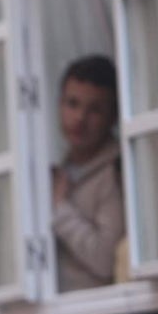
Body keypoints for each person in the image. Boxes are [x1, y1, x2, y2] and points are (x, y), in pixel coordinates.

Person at [52, 55, 126, 293]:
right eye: (72, 104)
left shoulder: (114, 173)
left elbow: (106, 260)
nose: (80, 118)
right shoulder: (61, 170)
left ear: (112, 117)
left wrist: (60, 209)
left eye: (94, 110)